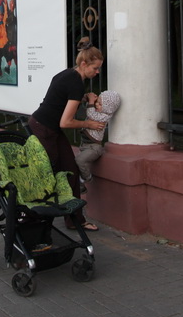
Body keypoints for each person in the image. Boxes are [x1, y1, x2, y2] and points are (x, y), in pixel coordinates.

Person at [28, 37, 105, 232]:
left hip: (49, 128)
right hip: (44, 129)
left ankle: (75, 220)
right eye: (95, 68)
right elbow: (66, 122)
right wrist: (88, 123)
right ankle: (32, 220)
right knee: (47, 176)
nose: (97, 72)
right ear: (84, 64)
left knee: (71, 171)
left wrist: (86, 97)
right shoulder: (76, 83)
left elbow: (62, 98)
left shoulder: (69, 74)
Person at [75, 90, 121, 192]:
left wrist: (91, 101)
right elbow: (88, 109)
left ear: (108, 108)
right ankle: (81, 184)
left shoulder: (104, 116)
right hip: (85, 145)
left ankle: (87, 178)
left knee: (79, 160)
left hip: (94, 147)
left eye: (100, 104)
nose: (96, 104)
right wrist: (89, 98)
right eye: (97, 102)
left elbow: (90, 113)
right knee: (77, 164)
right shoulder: (98, 111)